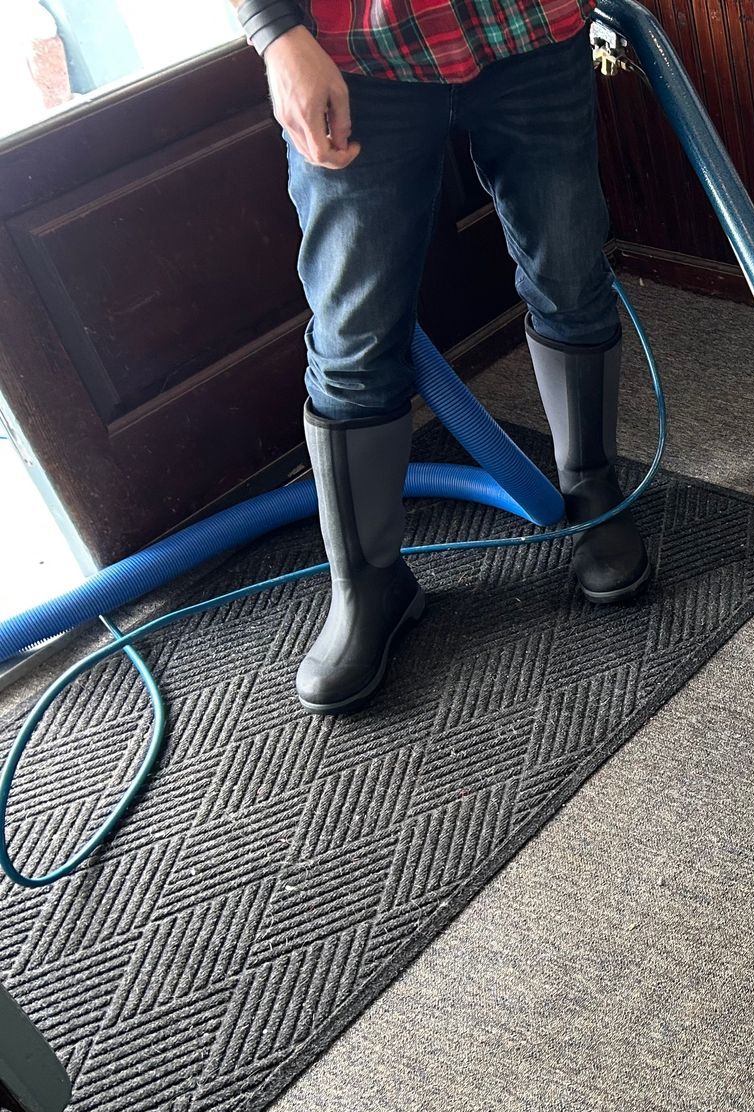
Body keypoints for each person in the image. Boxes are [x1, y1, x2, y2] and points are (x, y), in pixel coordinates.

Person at [232, 0, 651, 714]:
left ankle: (591, 491)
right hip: (355, 54)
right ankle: (369, 583)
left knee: (571, 279)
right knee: (354, 336)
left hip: (530, 31)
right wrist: (276, 35)